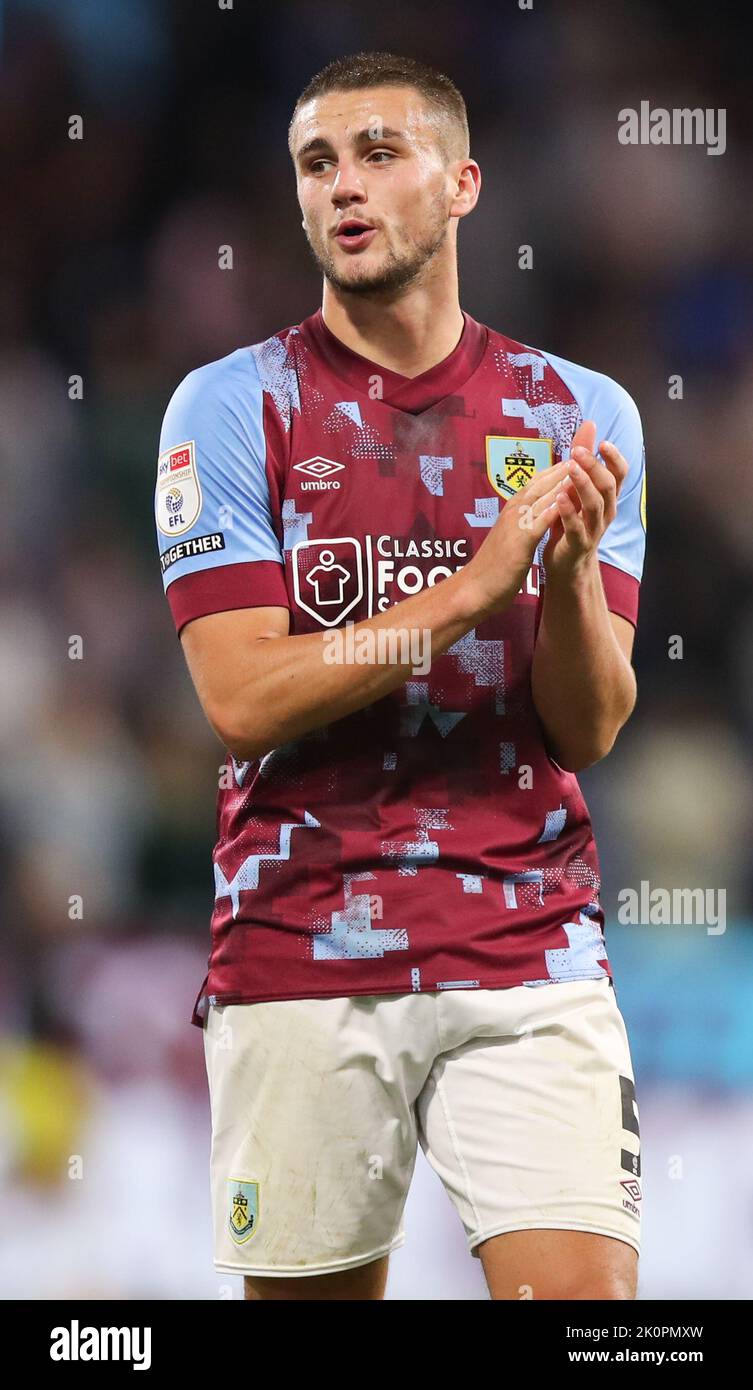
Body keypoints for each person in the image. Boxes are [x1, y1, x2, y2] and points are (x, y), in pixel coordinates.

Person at [154, 50, 646, 1301]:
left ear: (463, 183)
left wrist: (572, 574)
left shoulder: (579, 413)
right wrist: (479, 585)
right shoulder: (229, 407)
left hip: (526, 943)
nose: (344, 187)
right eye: (317, 164)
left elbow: (586, 729)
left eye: (380, 153)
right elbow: (242, 698)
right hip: (300, 944)